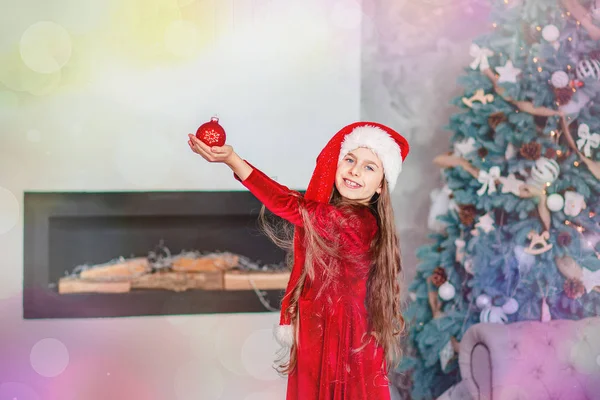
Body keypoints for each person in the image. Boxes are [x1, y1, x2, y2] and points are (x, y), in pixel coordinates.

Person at [187, 121, 409, 400]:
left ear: (380, 186)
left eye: (369, 167)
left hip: (344, 343)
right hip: (321, 332)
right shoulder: (335, 214)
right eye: (349, 159)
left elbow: (290, 204)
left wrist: (233, 160)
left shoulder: (357, 222)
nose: (354, 170)